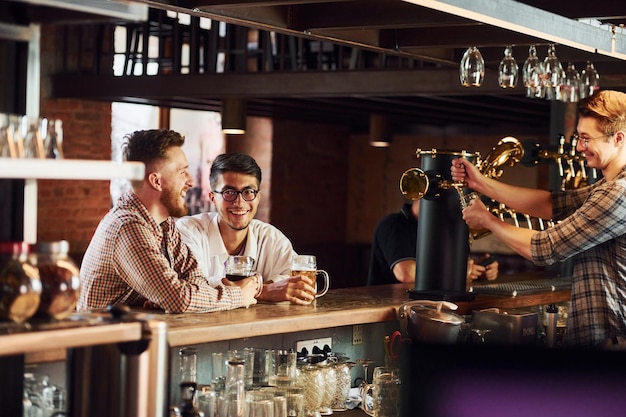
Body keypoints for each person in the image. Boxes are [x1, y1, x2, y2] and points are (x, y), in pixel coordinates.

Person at [450, 90, 626, 347]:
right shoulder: (608, 187)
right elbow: (551, 204)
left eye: (586, 139)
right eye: (578, 137)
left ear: (618, 138)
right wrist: (482, 183)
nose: (579, 147)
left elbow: (544, 249)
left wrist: (487, 220)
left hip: (611, 341)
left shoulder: (618, 193)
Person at [78, 129, 259, 313]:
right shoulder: (128, 227)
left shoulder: (164, 224)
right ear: (156, 181)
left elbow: (194, 278)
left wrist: (168, 296)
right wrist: (238, 295)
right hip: (102, 339)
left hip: (133, 334)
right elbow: (179, 299)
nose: (191, 182)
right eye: (182, 172)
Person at [176, 152, 317, 305]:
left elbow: (305, 286)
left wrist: (254, 288)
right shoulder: (189, 230)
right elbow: (188, 289)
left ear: (258, 197)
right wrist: (265, 291)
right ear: (212, 197)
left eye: (248, 192)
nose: (239, 202)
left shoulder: (270, 237)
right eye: (229, 192)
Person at [368, 199, 499, 286]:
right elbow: (406, 274)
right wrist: (456, 273)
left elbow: (442, 267)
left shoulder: (444, 228)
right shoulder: (393, 224)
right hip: (391, 315)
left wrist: (477, 270)